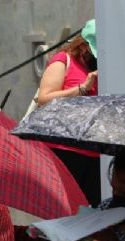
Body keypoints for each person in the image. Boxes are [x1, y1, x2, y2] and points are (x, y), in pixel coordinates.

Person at [36, 19, 101, 206]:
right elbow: (44, 99)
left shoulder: (102, 67)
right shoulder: (64, 61)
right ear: (83, 45)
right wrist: (83, 88)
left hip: (94, 152)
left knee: (91, 215)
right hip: (64, 151)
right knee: (63, 210)